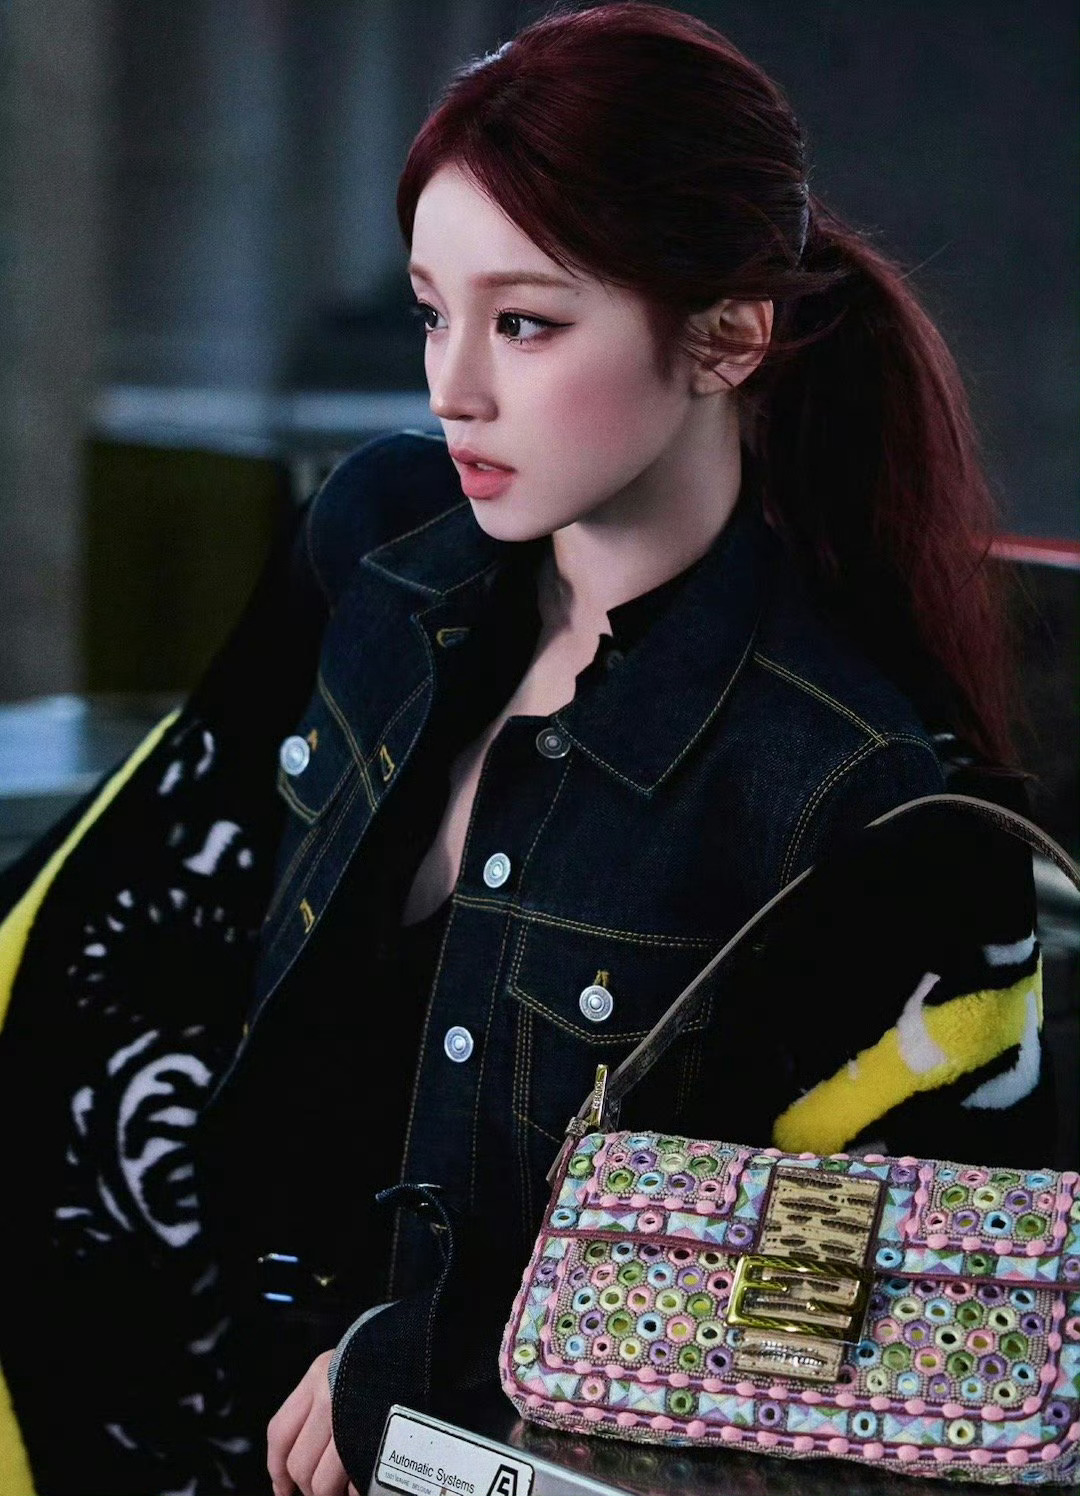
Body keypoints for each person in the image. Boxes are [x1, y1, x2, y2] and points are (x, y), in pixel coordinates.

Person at [0, 5, 1058, 1494]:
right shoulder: (382, 549)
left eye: (525, 324)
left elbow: (899, 1326)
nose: (453, 387)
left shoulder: (853, 796)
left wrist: (448, 1353)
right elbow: (140, 911)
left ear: (727, 336)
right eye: (433, 311)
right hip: (167, 1393)